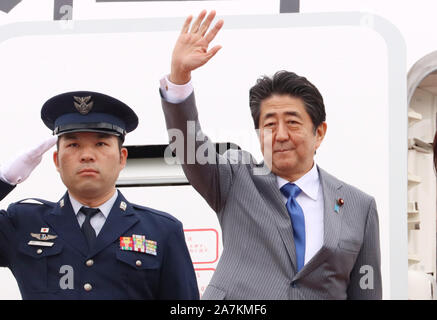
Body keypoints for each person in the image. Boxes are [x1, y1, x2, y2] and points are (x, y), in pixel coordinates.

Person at [159, 10, 382, 299]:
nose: (280, 135)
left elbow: (366, 291)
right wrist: (180, 79)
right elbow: (190, 146)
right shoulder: (234, 180)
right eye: (269, 125)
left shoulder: (358, 207)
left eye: (292, 122)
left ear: (320, 132)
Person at [0, 91, 199, 300]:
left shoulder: (162, 231)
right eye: (73, 145)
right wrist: (5, 180)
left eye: (101, 144)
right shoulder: (23, 224)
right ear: (57, 160)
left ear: (122, 158)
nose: (87, 155)